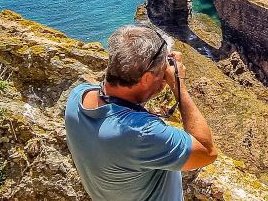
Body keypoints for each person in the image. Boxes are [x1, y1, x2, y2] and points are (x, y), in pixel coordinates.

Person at [65, 25, 217, 201]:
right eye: (162, 71)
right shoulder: (141, 134)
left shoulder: (78, 96)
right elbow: (206, 152)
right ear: (145, 78)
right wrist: (178, 84)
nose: (165, 74)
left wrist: (154, 74)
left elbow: (119, 98)